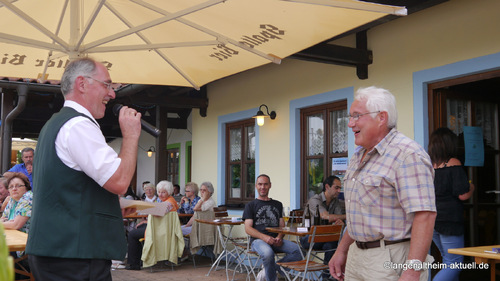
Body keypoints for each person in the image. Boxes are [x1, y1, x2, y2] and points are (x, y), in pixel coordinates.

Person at [26, 57, 141, 281]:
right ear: (82, 84)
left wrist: (109, 205)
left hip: (57, 251)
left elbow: (67, 188)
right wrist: (131, 135)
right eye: (107, 85)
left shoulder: (56, 123)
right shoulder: (79, 125)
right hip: (75, 255)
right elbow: (119, 181)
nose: (112, 94)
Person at [328, 86, 436, 281]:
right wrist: (342, 250)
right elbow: (359, 215)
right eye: (349, 117)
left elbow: (425, 215)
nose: (350, 123)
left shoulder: (407, 155)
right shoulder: (359, 155)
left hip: (391, 258)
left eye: (356, 116)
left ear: (381, 118)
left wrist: (412, 271)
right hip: (356, 255)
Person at [428, 127, 474, 281]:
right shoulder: (453, 163)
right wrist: (472, 187)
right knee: (454, 263)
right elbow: (463, 195)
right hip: (450, 221)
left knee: (447, 260)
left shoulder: (428, 165)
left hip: (432, 220)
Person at [243, 174, 302, 281]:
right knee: (268, 253)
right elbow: (248, 229)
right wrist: (265, 238)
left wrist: (279, 236)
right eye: (260, 184)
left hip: (276, 240)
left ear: (270, 185)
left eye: (265, 184)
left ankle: (272, 268)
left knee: (299, 251)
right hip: (258, 241)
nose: (263, 187)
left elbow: (282, 226)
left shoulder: (278, 204)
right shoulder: (250, 205)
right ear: (256, 186)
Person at [126, 180, 179, 270]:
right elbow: (161, 219)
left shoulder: (170, 202)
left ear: (169, 192)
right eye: (159, 192)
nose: (160, 194)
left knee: (132, 234)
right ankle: (138, 261)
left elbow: (158, 213)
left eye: (163, 192)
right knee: (138, 227)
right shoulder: (163, 200)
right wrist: (146, 221)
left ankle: (135, 264)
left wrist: (142, 207)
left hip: (161, 231)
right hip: (158, 227)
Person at [300, 175, 345, 273]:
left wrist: (339, 222)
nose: (339, 191)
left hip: (324, 237)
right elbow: (326, 216)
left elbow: (337, 218)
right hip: (307, 238)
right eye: (336, 188)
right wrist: (347, 217)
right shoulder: (315, 200)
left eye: (340, 188)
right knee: (335, 243)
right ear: (327, 187)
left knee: (333, 245)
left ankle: (328, 276)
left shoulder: (335, 201)